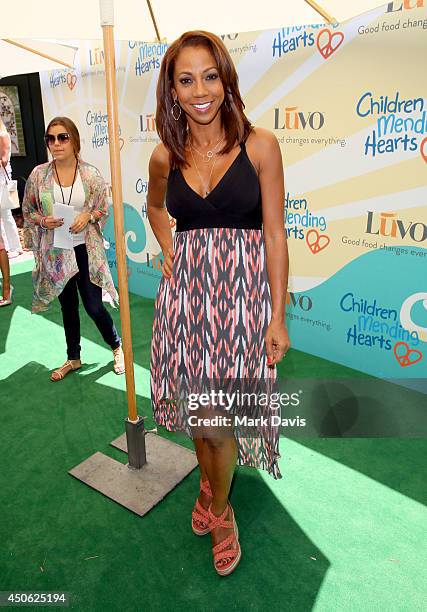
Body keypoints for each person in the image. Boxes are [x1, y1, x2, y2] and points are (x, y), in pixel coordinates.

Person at [148, 31, 290, 576]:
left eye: (210, 75)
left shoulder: (261, 146)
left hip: (244, 300)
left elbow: (275, 234)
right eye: (186, 79)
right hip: (187, 299)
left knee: (218, 418)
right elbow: (156, 209)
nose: (200, 90)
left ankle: (220, 508)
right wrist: (170, 250)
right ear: (173, 88)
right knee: (199, 415)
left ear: (226, 78)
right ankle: (211, 481)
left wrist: (277, 315)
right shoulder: (165, 154)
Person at [22, 116, 125, 380]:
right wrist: (44, 220)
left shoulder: (90, 175)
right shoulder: (38, 175)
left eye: (62, 137)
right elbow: (28, 211)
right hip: (57, 252)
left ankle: (116, 347)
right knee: (67, 307)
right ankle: (73, 358)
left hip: (86, 252)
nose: (56, 144)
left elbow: (103, 208)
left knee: (93, 306)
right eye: (50, 138)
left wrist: (88, 216)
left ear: (74, 140)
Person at [0, 118, 22, 259]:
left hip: (2, 178)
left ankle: (15, 246)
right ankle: (5, 246)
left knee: (6, 213)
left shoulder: (2, 135)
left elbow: (4, 158)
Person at [0, 119, 14, 306]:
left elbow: (4, 160)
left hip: (0, 185)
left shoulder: (3, 135)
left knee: (0, 245)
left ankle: (7, 288)